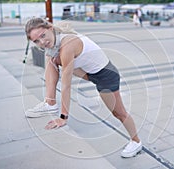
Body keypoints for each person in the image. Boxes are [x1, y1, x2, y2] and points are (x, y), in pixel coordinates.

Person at [24, 17, 142, 158]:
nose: (42, 42)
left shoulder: (67, 44)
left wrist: (63, 117)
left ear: (50, 28)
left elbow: (66, 85)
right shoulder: (54, 43)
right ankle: (50, 103)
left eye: (43, 36)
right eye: (36, 41)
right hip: (89, 73)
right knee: (52, 58)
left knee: (119, 113)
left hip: (106, 76)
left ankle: (136, 142)